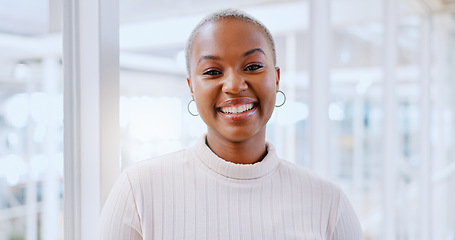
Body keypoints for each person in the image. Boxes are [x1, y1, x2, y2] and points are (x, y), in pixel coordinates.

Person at [100, 8, 363, 240]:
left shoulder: (329, 203)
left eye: (253, 66)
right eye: (213, 72)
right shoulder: (139, 191)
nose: (235, 85)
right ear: (192, 88)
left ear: (277, 78)